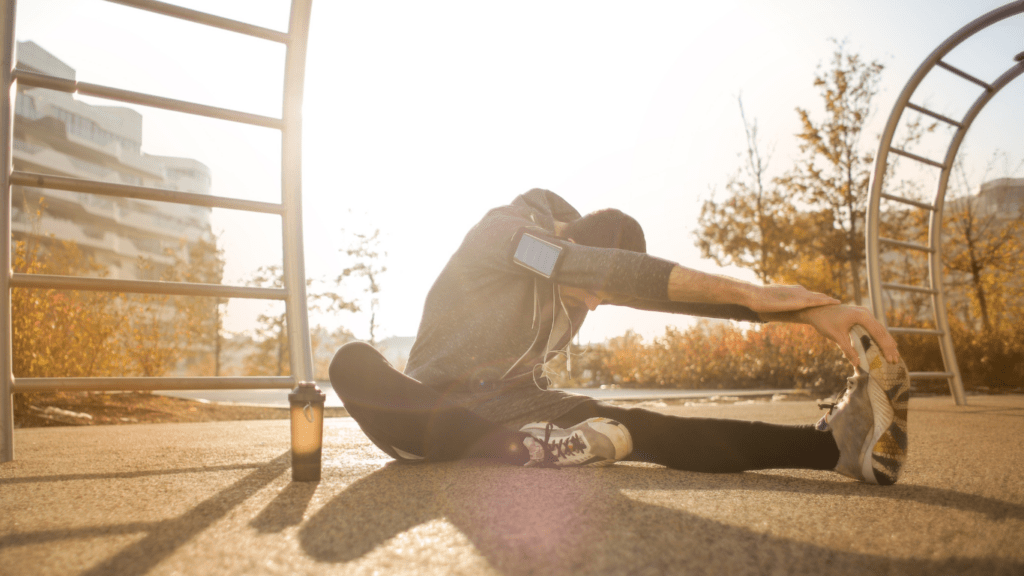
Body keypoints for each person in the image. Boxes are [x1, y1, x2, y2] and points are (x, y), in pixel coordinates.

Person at [329, 189, 909, 485]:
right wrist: (757, 294)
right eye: (595, 290)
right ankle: (523, 447)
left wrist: (806, 313)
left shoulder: (582, 270)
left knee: (646, 426)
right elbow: (581, 268)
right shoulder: (509, 236)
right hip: (425, 413)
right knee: (352, 361)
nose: (597, 304)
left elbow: (658, 290)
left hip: (522, 409)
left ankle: (833, 448)